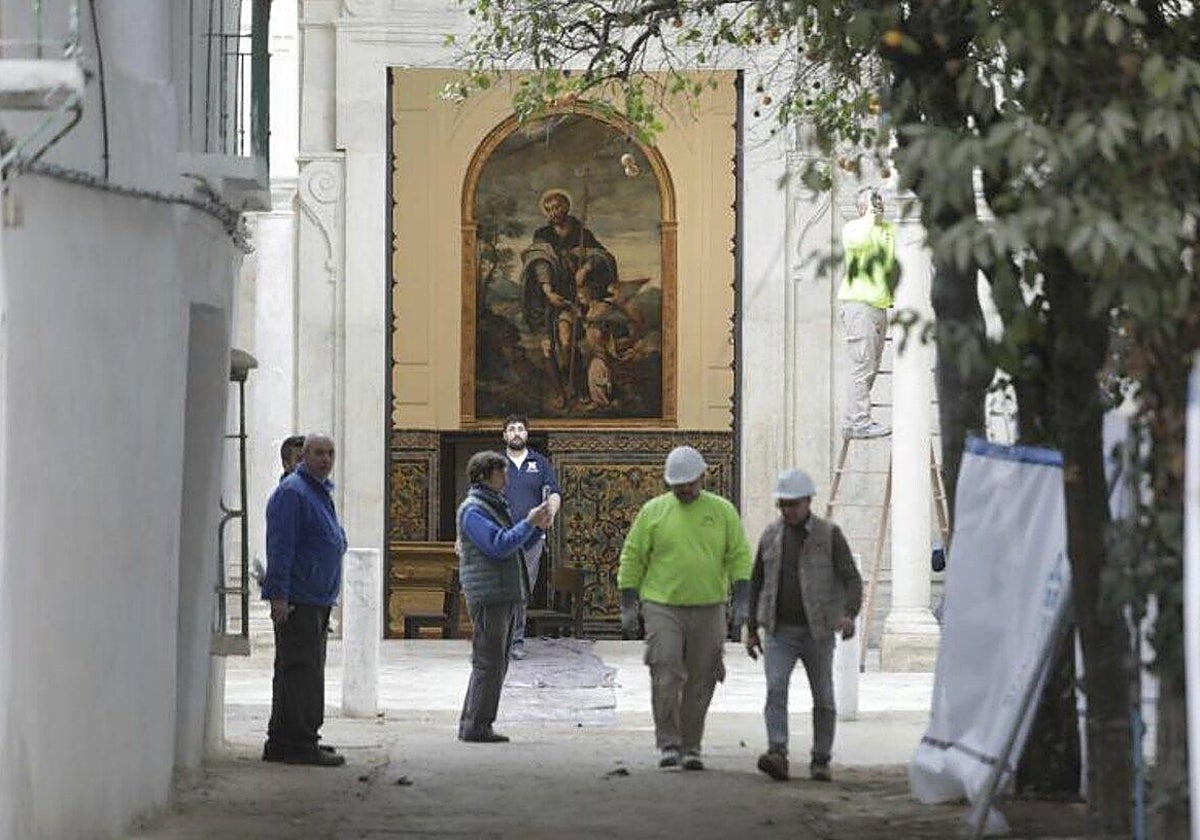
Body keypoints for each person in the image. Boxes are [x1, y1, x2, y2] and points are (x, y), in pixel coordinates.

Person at [617, 445, 753, 771]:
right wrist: (628, 603)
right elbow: (633, 556)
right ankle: (669, 743)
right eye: (678, 485)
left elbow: (739, 556)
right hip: (662, 605)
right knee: (665, 670)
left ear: (702, 477)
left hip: (709, 606)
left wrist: (742, 601)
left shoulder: (722, 512)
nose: (685, 490)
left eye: (690, 484)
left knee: (702, 678)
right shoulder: (653, 512)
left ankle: (691, 746)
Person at [743, 468, 863, 783]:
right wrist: (751, 628)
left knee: (823, 696)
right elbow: (757, 582)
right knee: (775, 689)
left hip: (817, 631)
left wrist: (849, 613)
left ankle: (821, 759)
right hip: (779, 630)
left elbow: (851, 578)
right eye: (783, 504)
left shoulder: (829, 536)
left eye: (793, 504)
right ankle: (777, 752)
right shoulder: (770, 536)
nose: (788, 511)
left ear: (808, 501)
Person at [261, 433, 348, 767]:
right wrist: (279, 596)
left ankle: (287, 740)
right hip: (300, 597)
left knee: (303, 670)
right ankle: (298, 742)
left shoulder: (318, 491)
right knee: (301, 673)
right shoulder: (293, 493)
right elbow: (280, 547)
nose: (325, 459)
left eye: (330, 453)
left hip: (317, 596)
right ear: (304, 457)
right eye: (318, 453)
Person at [457, 450, 553, 743]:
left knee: (496, 662)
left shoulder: (494, 506)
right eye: (501, 473)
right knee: (489, 662)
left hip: (503, 592)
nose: (506, 478)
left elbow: (512, 544)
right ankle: (476, 725)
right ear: (485, 476)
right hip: (490, 595)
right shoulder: (474, 510)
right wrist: (529, 522)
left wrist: (534, 527)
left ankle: (477, 722)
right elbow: (498, 545)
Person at [520, 188, 619, 408]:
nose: (554, 212)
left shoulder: (581, 233)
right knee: (547, 347)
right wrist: (548, 291)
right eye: (549, 209)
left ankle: (578, 388)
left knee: (566, 342)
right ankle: (560, 393)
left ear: (566, 207)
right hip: (546, 299)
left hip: (571, 299)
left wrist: (586, 267)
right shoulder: (542, 234)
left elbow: (603, 256)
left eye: (557, 207)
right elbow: (539, 261)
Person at [500, 414, 562, 660]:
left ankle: (515, 642)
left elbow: (554, 493)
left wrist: (551, 512)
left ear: (527, 434)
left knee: (521, 593)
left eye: (520, 429)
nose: (516, 433)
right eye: (511, 429)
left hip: (531, 540)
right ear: (504, 435)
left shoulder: (540, 463)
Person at [838, 186, 896, 439]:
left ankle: (856, 418)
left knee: (871, 367)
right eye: (873, 203)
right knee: (862, 364)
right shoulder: (853, 228)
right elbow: (860, 241)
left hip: (879, 306)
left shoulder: (887, 231)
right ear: (862, 208)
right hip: (859, 304)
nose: (878, 207)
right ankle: (857, 421)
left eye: (879, 202)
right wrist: (869, 215)